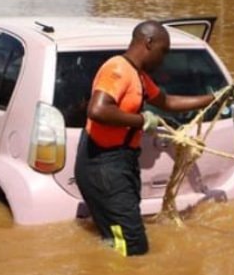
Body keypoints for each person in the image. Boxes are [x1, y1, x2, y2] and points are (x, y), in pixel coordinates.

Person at [75, 21, 224, 257]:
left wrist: (214, 98)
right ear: (148, 43)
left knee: (118, 234)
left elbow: (167, 102)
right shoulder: (118, 69)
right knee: (133, 245)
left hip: (120, 163)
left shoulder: (140, 77)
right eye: (163, 52)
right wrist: (142, 120)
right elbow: (98, 110)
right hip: (103, 165)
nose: (163, 59)